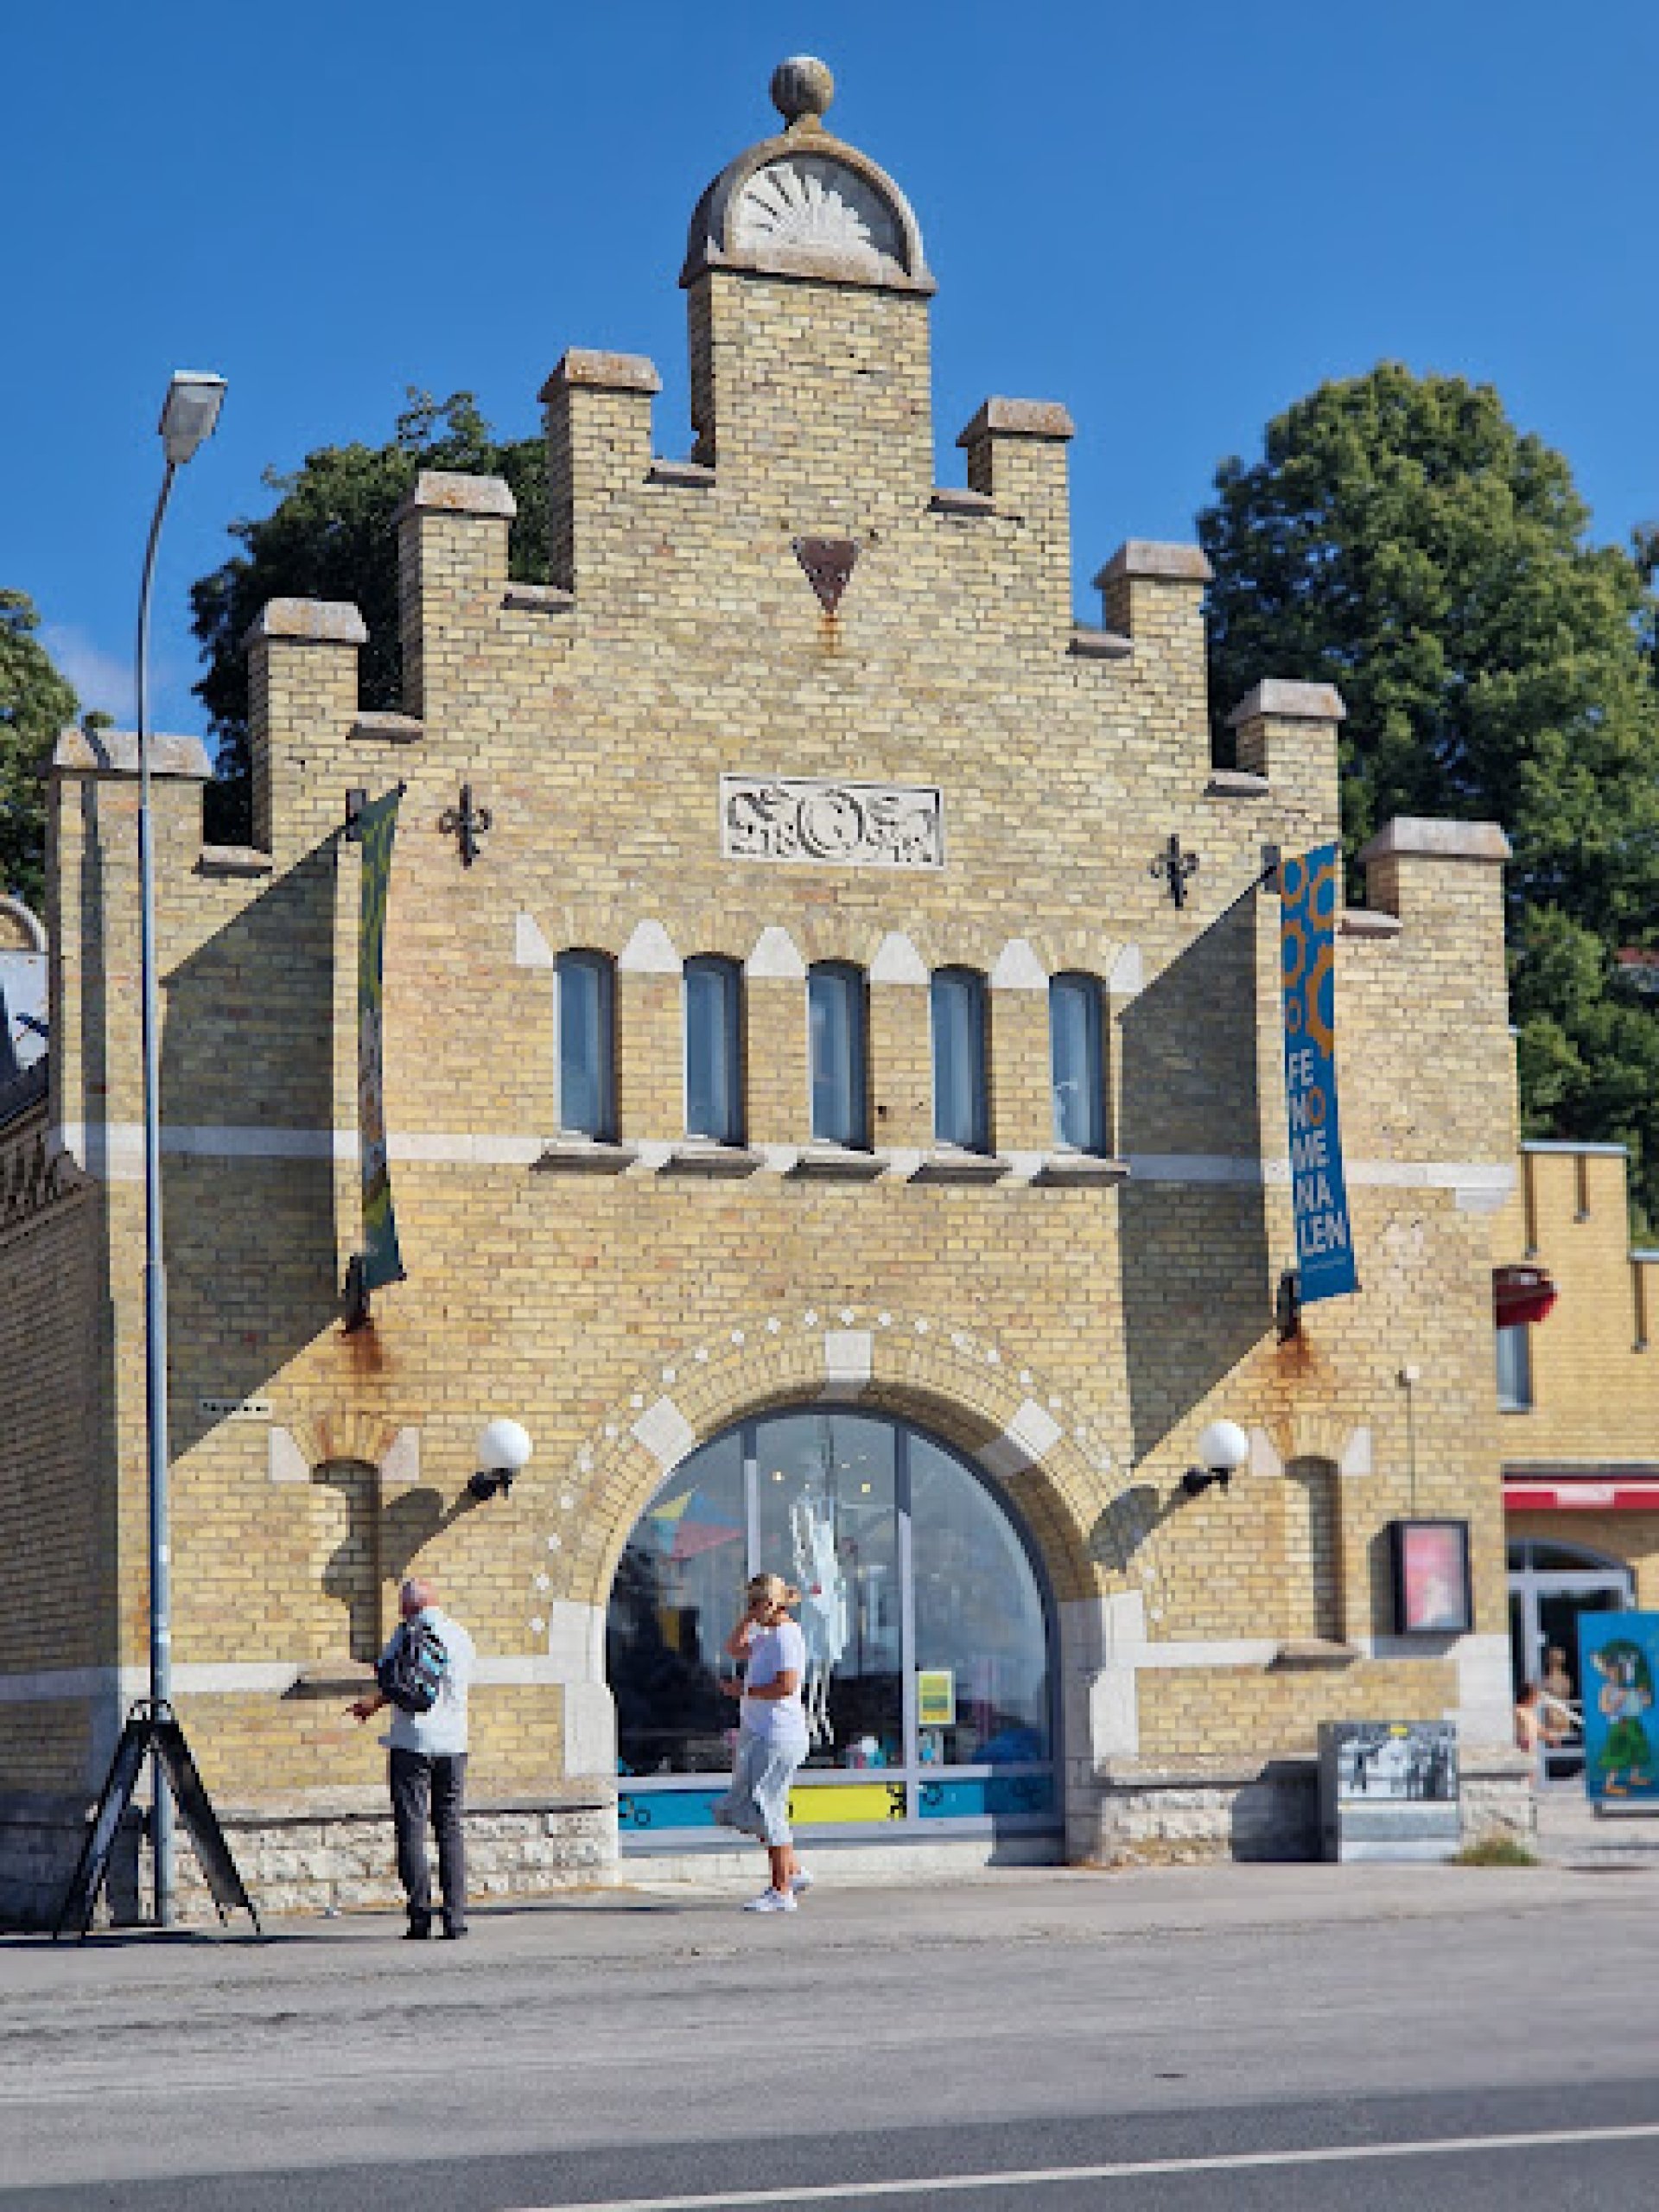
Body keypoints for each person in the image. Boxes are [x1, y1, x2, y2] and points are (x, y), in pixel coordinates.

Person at [349, 1577, 477, 1938]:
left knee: (412, 1828)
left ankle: (420, 1917)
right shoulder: (461, 1636)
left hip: (412, 1743)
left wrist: (374, 1702)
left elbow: (388, 1676)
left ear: (408, 1607)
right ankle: (455, 1919)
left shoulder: (405, 1634)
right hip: (453, 1744)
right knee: (450, 1827)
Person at [713, 1573, 811, 1913]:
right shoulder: (766, 1634)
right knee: (754, 1808)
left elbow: (786, 1686)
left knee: (767, 1808)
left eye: (757, 1602)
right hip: (760, 1733)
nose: (753, 1608)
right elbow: (734, 1649)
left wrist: (743, 1691)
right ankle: (792, 1872)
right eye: (750, 1602)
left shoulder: (786, 1636)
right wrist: (748, 1619)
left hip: (777, 1734)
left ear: (773, 1603)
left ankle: (781, 1891)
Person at [1514, 1682, 1544, 1778]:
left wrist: (1551, 1737)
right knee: (1525, 1776)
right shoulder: (1518, 1711)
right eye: (1535, 1696)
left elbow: (1538, 1730)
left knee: (1530, 1775)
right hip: (1522, 1749)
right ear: (1528, 1697)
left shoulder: (1529, 1713)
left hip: (1530, 1749)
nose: (1537, 1700)